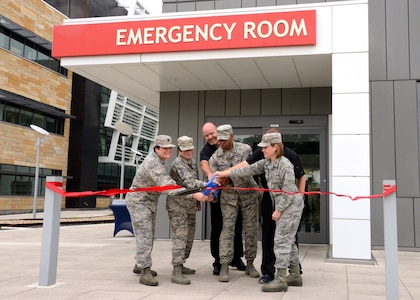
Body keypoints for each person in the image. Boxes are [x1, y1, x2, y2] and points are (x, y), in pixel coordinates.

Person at [215, 132, 304, 293]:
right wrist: (224, 173)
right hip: (283, 205)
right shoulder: (267, 163)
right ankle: (295, 275)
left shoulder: (285, 165)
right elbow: (247, 170)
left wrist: (278, 210)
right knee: (289, 241)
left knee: (281, 241)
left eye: (265, 147)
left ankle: (281, 278)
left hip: (290, 206)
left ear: (275, 147)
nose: (262, 150)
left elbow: (289, 191)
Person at [126, 135, 209, 287]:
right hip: (139, 202)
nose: (168, 151)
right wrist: (195, 194)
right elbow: (169, 186)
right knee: (145, 235)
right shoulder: (153, 163)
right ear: (156, 149)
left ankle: (140, 264)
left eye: (169, 148)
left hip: (149, 201)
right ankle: (144, 270)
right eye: (164, 148)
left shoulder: (160, 160)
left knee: (147, 234)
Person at [208, 124, 260, 282]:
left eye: (224, 139)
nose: (221, 143)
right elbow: (216, 179)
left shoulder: (245, 150)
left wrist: (228, 177)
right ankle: (224, 264)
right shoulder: (214, 158)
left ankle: (250, 263)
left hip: (249, 195)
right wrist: (218, 182)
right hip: (229, 198)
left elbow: (249, 170)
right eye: (219, 140)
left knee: (251, 230)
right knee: (227, 230)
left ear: (232, 136)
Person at [199, 122, 246, 276]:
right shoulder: (208, 150)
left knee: (237, 225)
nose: (211, 137)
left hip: (234, 195)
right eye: (207, 135)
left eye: (212, 133)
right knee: (218, 227)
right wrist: (211, 176)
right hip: (218, 196)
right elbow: (204, 163)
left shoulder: (235, 146)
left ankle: (236, 257)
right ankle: (218, 260)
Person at [166, 136, 207, 285]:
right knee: (181, 237)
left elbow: (193, 187)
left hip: (189, 205)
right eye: (185, 150)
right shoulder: (178, 164)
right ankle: (176, 270)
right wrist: (208, 184)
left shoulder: (192, 163)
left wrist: (196, 201)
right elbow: (190, 183)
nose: (188, 152)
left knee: (189, 237)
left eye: (190, 149)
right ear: (179, 150)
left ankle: (182, 263)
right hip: (177, 206)